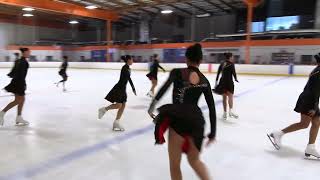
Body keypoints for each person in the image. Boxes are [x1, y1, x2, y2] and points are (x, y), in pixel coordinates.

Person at [148, 43, 216, 180]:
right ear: (200, 61)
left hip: (179, 119)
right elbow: (212, 107)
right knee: (195, 161)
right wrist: (213, 133)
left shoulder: (177, 72)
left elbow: (164, 88)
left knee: (174, 165)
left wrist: (152, 106)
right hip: (197, 121)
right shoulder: (205, 80)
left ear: (186, 58)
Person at [268, 54, 320, 159]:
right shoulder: (318, 72)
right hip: (309, 100)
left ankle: (311, 147)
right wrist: (314, 107)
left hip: (311, 99)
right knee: (304, 124)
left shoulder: (317, 69)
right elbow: (315, 91)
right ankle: (278, 133)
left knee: (316, 122)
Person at [98, 55, 136, 131]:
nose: (133, 61)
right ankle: (104, 109)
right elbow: (127, 78)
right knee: (119, 105)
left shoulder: (128, 68)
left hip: (123, 88)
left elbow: (129, 79)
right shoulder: (124, 68)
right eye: (132, 60)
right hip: (119, 88)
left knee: (123, 105)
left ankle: (117, 122)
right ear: (128, 60)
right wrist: (132, 88)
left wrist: (133, 88)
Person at [0, 48, 30, 126]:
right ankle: (2, 113)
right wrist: (23, 84)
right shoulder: (24, 62)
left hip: (15, 82)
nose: (29, 53)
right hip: (19, 83)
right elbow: (21, 75)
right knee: (18, 100)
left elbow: (12, 73)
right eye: (28, 52)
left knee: (22, 99)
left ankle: (19, 117)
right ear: (24, 53)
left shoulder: (18, 61)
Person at [213, 52, 239, 120]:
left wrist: (216, 82)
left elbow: (218, 73)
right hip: (229, 82)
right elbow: (234, 73)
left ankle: (224, 113)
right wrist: (236, 78)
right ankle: (230, 111)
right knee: (230, 96)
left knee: (224, 98)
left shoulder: (222, 63)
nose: (233, 58)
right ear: (230, 57)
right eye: (232, 57)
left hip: (222, 82)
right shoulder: (231, 64)